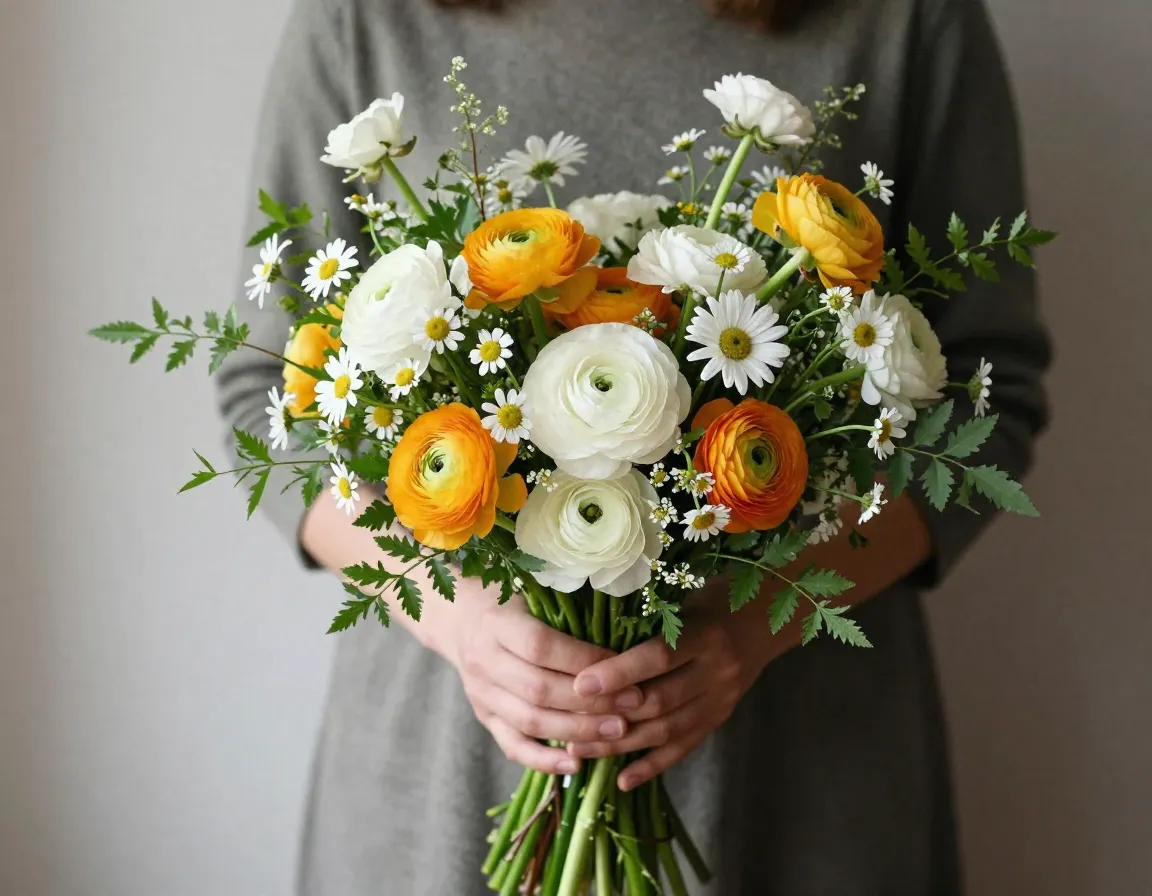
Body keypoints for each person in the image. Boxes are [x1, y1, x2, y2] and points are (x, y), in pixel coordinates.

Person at [216, 0, 1051, 892]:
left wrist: (756, 625)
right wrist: (453, 616)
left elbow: (986, 401)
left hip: (796, 771)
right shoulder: (363, 18)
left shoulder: (904, 17)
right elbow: (270, 399)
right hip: (448, 770)